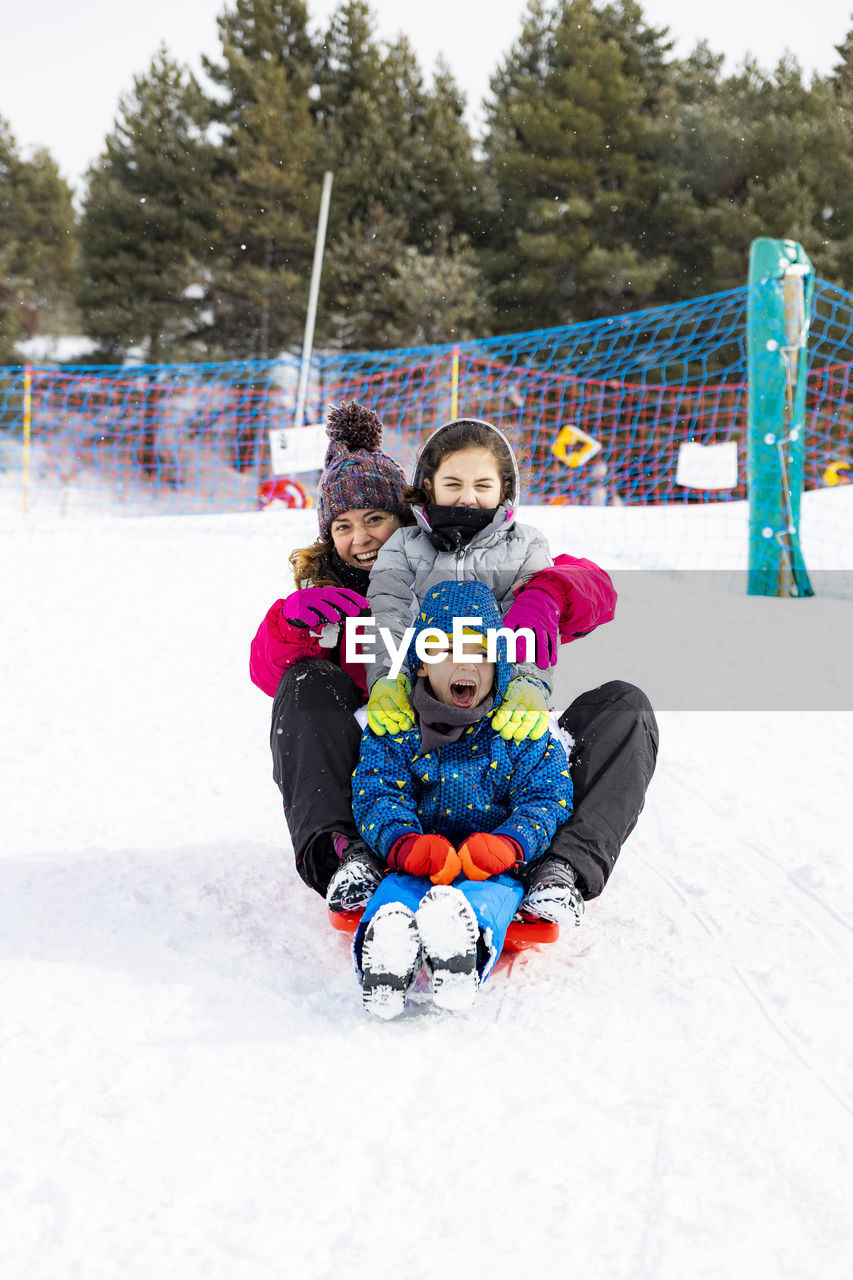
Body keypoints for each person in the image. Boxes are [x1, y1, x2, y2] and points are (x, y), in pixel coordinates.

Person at [250, 407, 657, 931]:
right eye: (343, 527)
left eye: (376, 519)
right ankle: (347, 860)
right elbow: (274, 682)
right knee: (305, 682)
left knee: (627, 707)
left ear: (411, 512)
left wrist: (549, 594)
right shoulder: (334, 600)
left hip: (502, 762)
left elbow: (594, 588)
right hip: (393, 770)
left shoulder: (499, 556)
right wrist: (290, 625)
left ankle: (560, 872)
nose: (363, 538)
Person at [350, 580, 574, 1019]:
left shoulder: (514, 730)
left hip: (489, 862)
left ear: (499, 665)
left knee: (492, 897)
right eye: (445, 651)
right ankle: (386, 957)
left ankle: (463, 959)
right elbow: (376, 792)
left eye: (480, 653)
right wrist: (404, 843)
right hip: (419, 857)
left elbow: (547, 795)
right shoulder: (398, 727)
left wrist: (510, 843)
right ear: (418, 665)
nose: (464, 664)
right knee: (396, 892)